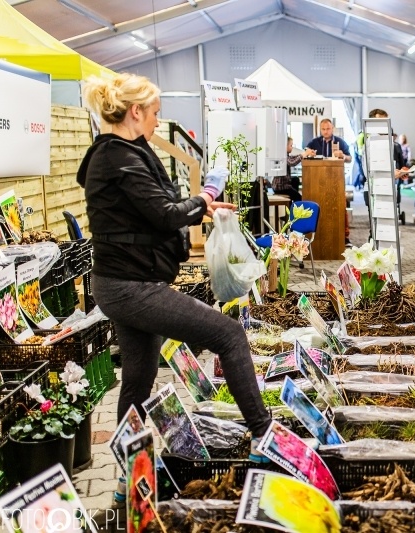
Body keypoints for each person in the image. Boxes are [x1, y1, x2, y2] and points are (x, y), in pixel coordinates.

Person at [77, 74, 272, 492]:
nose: (156, 120)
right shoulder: (118, 157)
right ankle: (264, 436)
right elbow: (165, 214)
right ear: (136, 112)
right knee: (229, 335)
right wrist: (206, 195)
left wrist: (199, 209)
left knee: (138, 376)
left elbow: (150, 211)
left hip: (124, 281)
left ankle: (128, 476)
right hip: (131, 286)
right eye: (154, 113)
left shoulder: (123, 153)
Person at [271, 136, 312, 202]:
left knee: (295, 179)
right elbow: (292, 163)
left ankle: (291, 201)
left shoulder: (284, 154)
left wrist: (305, 154)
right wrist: (303, 155)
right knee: (298, 197)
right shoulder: (282, 156)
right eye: (291, 145)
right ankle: (294, 204)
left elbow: (292, 158)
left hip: (283, 185)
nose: (292, 147)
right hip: (281, 187)